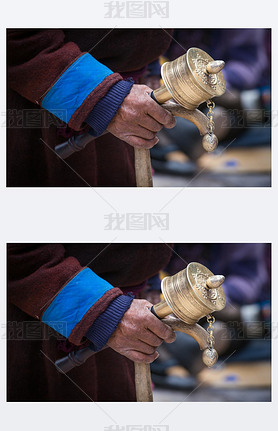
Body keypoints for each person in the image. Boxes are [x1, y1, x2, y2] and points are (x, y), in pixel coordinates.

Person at [7, 243, 176, 401]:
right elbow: (17, 253)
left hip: (127, 306)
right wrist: (106, 312)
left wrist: (149, 278)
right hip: (43, 321)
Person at [7, 29, 176, 187]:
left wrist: (150, 64)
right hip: (43, 103)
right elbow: (17, 37)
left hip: (127, 92)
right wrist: (106, 97)